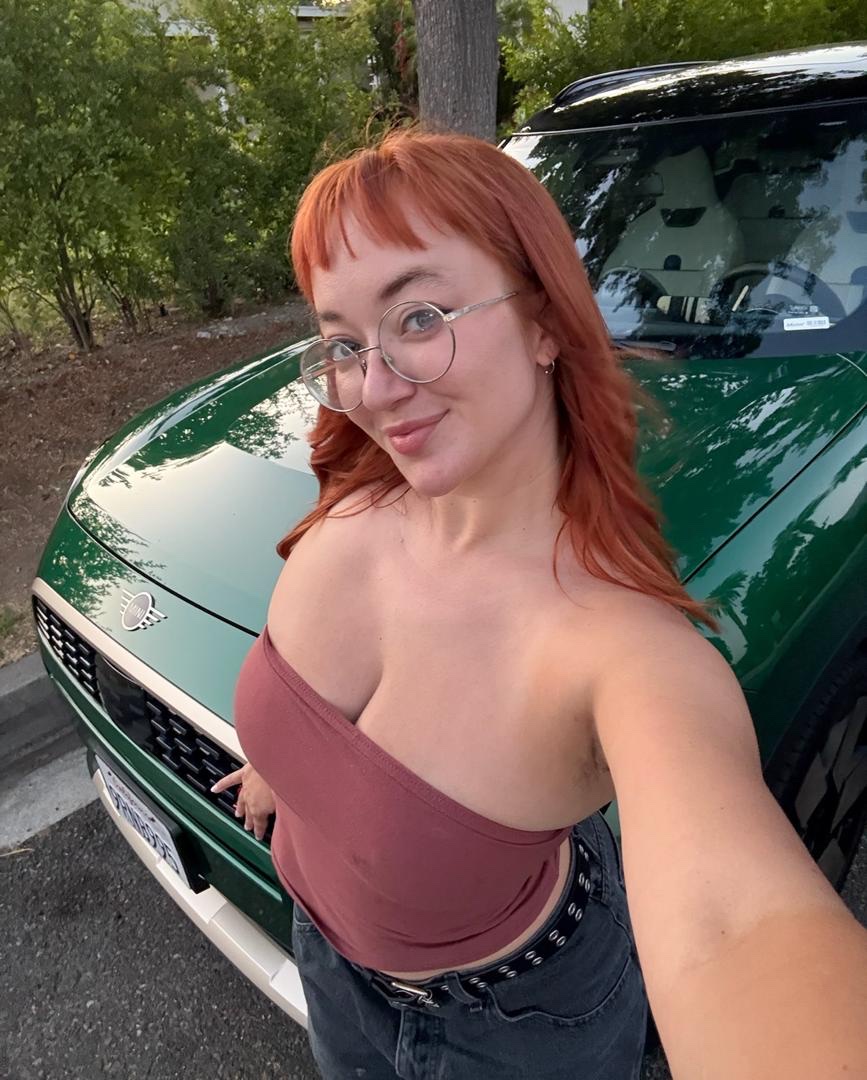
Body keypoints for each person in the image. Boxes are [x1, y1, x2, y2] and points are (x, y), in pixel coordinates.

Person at [212, 129, 867, 1080]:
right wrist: (284, 764)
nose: (375, 387)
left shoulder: (623, 655)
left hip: (509, 1028)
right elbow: (317, 707)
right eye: (343, 343)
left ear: (544, 323)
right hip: (327, 962)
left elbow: (734, 927)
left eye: (420, 315)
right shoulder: (356, 504)